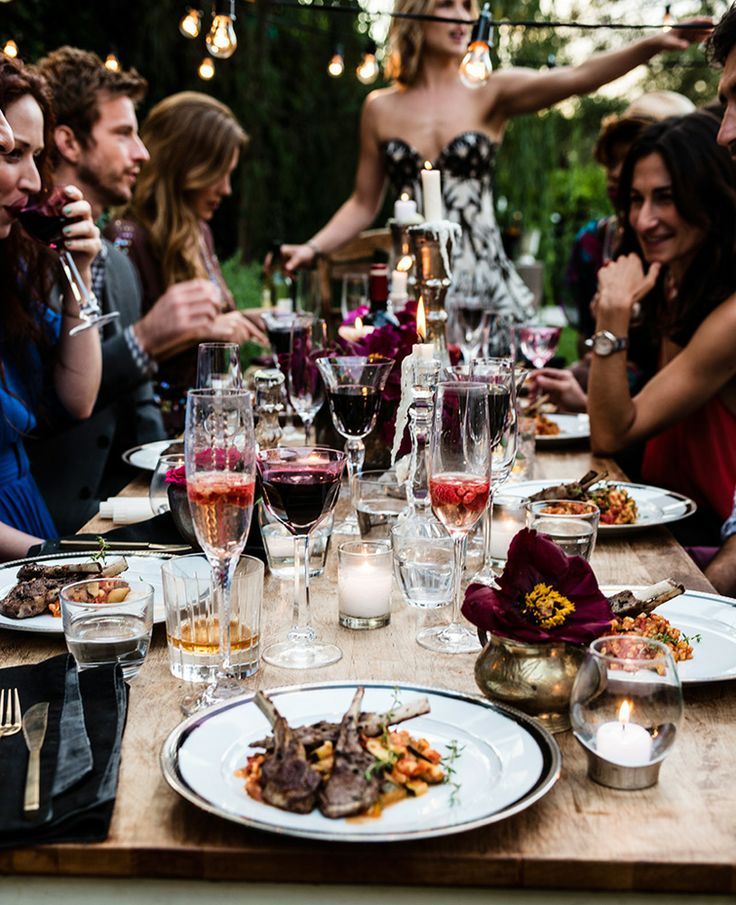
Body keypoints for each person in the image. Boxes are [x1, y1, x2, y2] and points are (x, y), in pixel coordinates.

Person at [279, 0, 710, 320]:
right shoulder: (379, 108)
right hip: (412, 278)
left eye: (468, 6)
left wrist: (651, 45)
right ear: (415, 14)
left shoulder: (491, 92)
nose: (463, 17)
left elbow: (577, 77)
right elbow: (362, 202)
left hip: (482, 275)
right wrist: (313, 247)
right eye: (447, 4)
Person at [31, 47, 166, 532]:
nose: (142, 152)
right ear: (68, 141)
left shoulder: (120, 265)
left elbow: (141, 403)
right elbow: (37, 402)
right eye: (124, 133)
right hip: (43, 516)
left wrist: (175, 481)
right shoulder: (20, 253)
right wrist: (144, 341)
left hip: (117, 514)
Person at [586, 111, 736, 542]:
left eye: (666, 197)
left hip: (706, 540)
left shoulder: (730, 314)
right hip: (665, 519)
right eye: (636, 199)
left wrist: (612, 315)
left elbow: (611, 434)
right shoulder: (677, 285)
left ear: (711, 195)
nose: (644, 220)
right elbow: (660, 417)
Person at [107, 91, 266, 434]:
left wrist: (242, 319)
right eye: (217, 174)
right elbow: (113, 365)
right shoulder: (127, 241)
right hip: (155, 440)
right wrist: (208, 331)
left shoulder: (200, 232)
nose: (226, 190)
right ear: (184, 166)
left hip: (210, 429)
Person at [0, 57, 101, 558]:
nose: (34, 181)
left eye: (36, 157)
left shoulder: (13, 266)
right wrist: (53, 559)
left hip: (27, 522)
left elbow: (78, 398)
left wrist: (77, 271)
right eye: (13, 154)